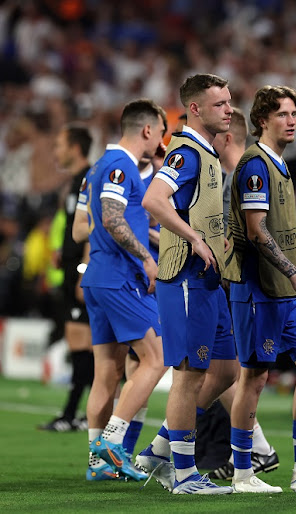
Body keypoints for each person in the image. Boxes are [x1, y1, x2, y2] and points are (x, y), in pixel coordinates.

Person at [223, 85, 296, 494]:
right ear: (262, 119)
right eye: (282, 114)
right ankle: (243, 472)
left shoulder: (281, 164)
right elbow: (256, 231)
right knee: (254, 378)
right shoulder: (255, 163)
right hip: (259, 289)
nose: (291, 121)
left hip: (283, 291)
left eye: (294, 114)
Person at [140, 73, 236, 495]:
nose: (230, 109)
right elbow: (153, 200)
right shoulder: (187, 153)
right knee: (188, 375)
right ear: (195, 109)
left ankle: (161, 449)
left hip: (210, 281)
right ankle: (182, 474)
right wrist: (193, 237)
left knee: (227, 370)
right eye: (220, 104)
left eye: (230, 102)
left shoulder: (208, 152)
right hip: (185, 278)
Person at [71, 99, 168, 481]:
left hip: (98, 276)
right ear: (147, 130)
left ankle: (97, 464)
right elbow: (111, 217)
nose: (161, 139)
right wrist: (146, 256)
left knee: (107, 373)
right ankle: (111, 443)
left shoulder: (98, 166)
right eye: (160, 131)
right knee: (156, 358)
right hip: (119, 277)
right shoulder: (120, 165)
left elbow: (93, 222)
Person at [206, 109, 281, 481]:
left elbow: (246, 235)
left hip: (242, 286)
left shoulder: (240, 175)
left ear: (228, 138)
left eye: (213, 136)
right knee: (229, 372)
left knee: (236, 372)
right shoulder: (231, 176)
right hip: (238, 285)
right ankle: (260, 450)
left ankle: (168, 443)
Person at [38, 124, 94, 433]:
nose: (56, 151)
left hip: (79, 272)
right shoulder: (73, 182)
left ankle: (76, 414)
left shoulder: (88, 178)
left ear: (75, 148)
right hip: (71, 269)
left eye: (60, 145)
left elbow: (91, 229)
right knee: (81, 344)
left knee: (84, 342)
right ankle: (76, 414)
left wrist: (84, 271)